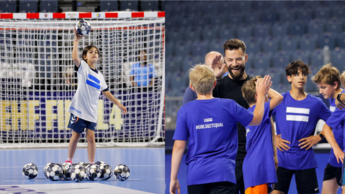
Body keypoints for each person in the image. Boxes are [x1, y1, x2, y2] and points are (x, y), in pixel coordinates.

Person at [170, 64, 272, 194]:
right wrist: (262, 95)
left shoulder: (184, 111)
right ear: (214, 84)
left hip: (196, 174)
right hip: (223, 173)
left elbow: (178, 146)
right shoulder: (229, 105)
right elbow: (257, 119)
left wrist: (173, 178)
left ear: (192, 87)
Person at [65, 29, 127, 164]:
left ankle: (91, 164)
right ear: (85, 57)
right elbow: (75, 58)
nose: (94, 54)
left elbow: (106, 92)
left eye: (96, 52)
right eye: (91, 52)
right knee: (75, 136)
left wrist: (118, 104)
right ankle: (69, 160)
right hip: (79, 109)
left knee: (91, 138)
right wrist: (76, 40)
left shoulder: (100, 76)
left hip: (92, 111)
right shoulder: (83, 68)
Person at [271, 60, 332, 194]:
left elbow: (335, 121)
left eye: (304, 74)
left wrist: (319, 137)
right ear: (289, 78)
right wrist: (273, 138)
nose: (301, 77)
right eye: (297, 74)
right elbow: (259, 118)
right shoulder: (279, 100)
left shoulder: (316, 103)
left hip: (305, 161)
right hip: (281, 161)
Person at [212, 39, 252, 194]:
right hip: (226, 159)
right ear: (225, 60)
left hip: (252, 155)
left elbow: (267, 119)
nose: (234, 63)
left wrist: (274, 153)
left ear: (246, 58)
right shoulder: (217, 87)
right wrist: (214, 78)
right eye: (230, 60)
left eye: (238, 59)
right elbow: (197, 102)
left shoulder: (256, 85)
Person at [242, 76, 283, 194]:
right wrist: (260, 83)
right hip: (258, 166)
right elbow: (279, 97)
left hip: (255, 166)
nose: (268, 97)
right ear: (257, 96)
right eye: (266, 94)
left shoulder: (250, 112)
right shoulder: (259, 109)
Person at [311, 64, 344, 194]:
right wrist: (320, 136)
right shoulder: (331, 100)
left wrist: (340, 98)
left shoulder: (342, 99)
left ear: (335, 85)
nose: (320, 91)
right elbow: (330, 125)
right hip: (334, 158)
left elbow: (328, 126)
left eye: (323, 87)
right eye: (319, 88)